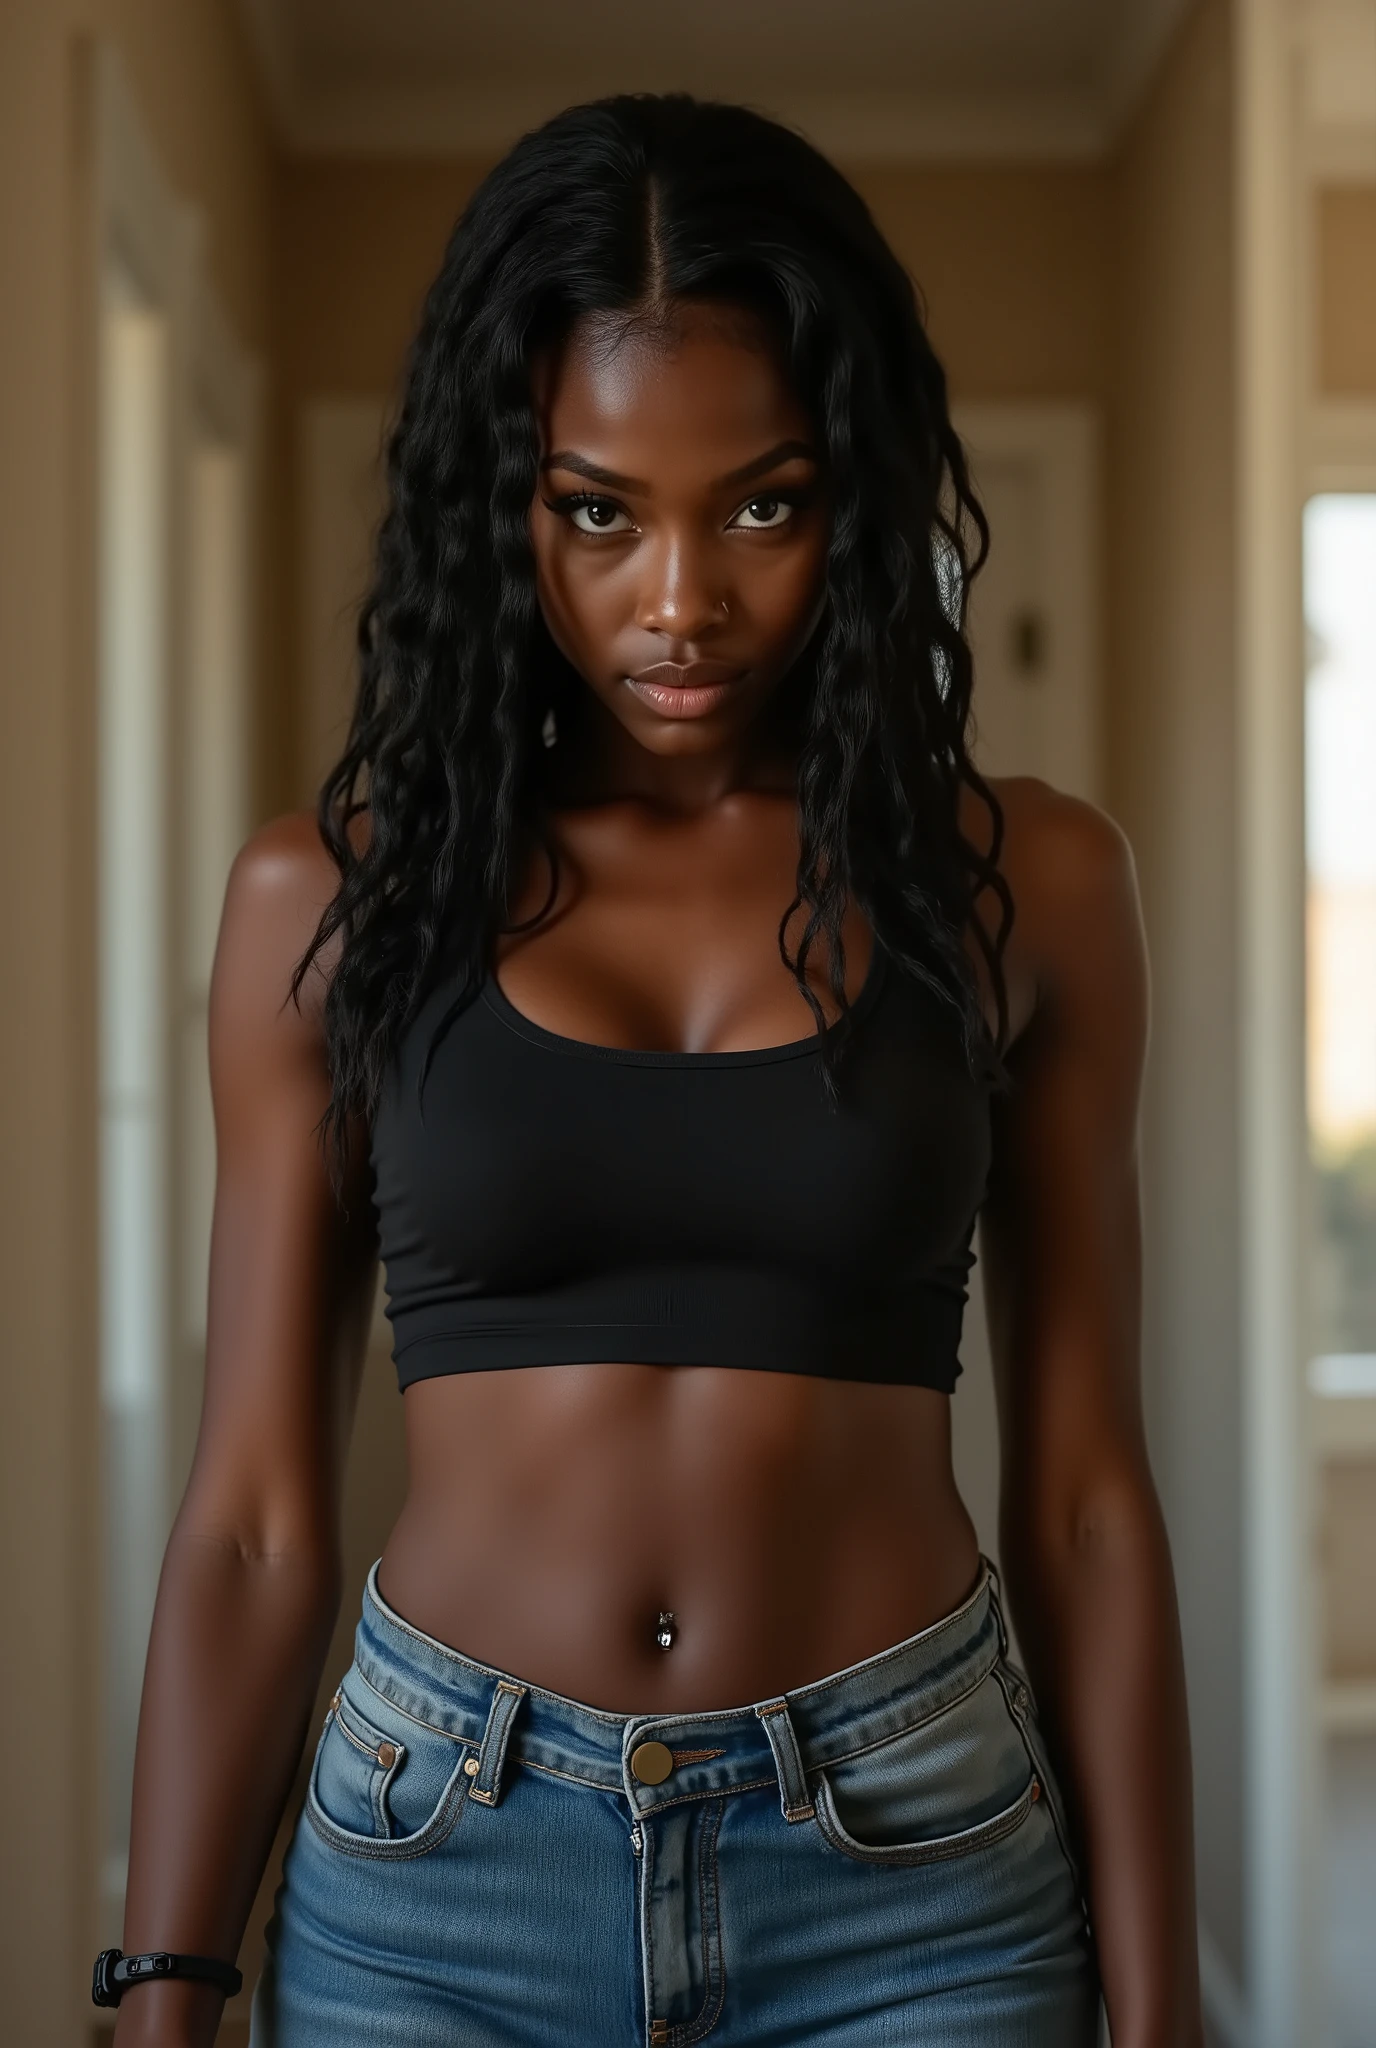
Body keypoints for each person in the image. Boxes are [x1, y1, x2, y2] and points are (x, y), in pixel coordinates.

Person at [106, 94, 1203, 2048]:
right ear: (499, 503)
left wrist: (1154, 1994)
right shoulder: (328, 901)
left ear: (853, 497)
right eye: (598, 511)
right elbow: (254, 1512)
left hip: (911, 1871)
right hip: (439, 1870)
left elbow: (1089, 1497)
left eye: (760, 504)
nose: (680, 599)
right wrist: (169, 1975)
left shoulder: (1026, 886)